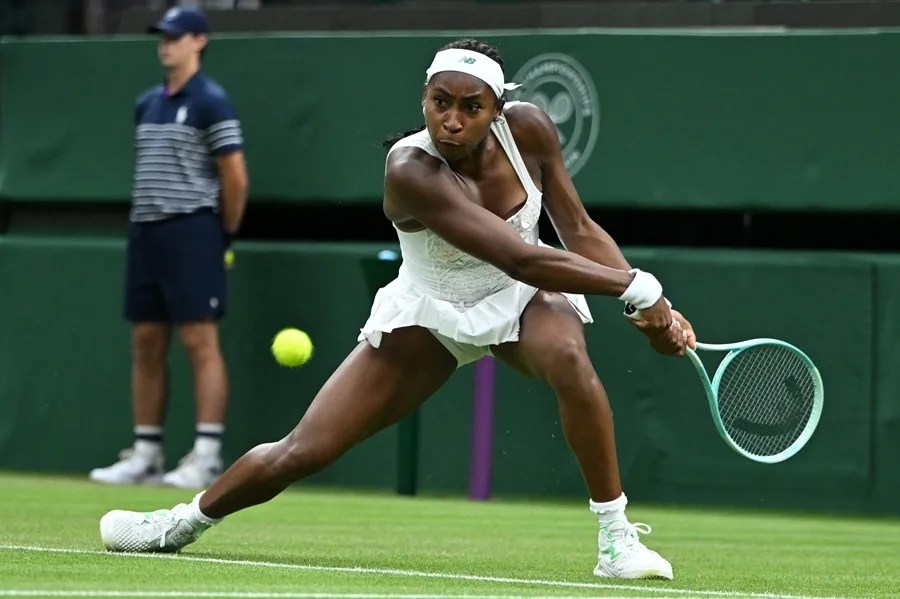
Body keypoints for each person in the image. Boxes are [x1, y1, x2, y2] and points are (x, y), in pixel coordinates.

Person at [98, 38, 695, 580]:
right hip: (431, 312)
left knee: (568, 356)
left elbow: (577, 226)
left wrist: (651, 307)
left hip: (522, 303)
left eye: (471, 107)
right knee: (303, 451)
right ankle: (179, 523)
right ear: (424, 98)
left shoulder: (531, 130)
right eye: (440, 103)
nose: (452, 121)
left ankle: (616, 542)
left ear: (497, 108)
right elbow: (521, 257)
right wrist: (636, 287)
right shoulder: (410, 170)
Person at [89, 7, 249, 489]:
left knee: (199, 341)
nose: (166, 44)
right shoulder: (147, 104)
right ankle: (146, 454)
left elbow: (235, 177)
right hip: (146, 233)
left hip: (194, 232)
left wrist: (222, 236)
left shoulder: (212, 102)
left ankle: (205, 456)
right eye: (162, 36)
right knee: (146, 343)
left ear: (199, 40)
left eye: (176, 37)